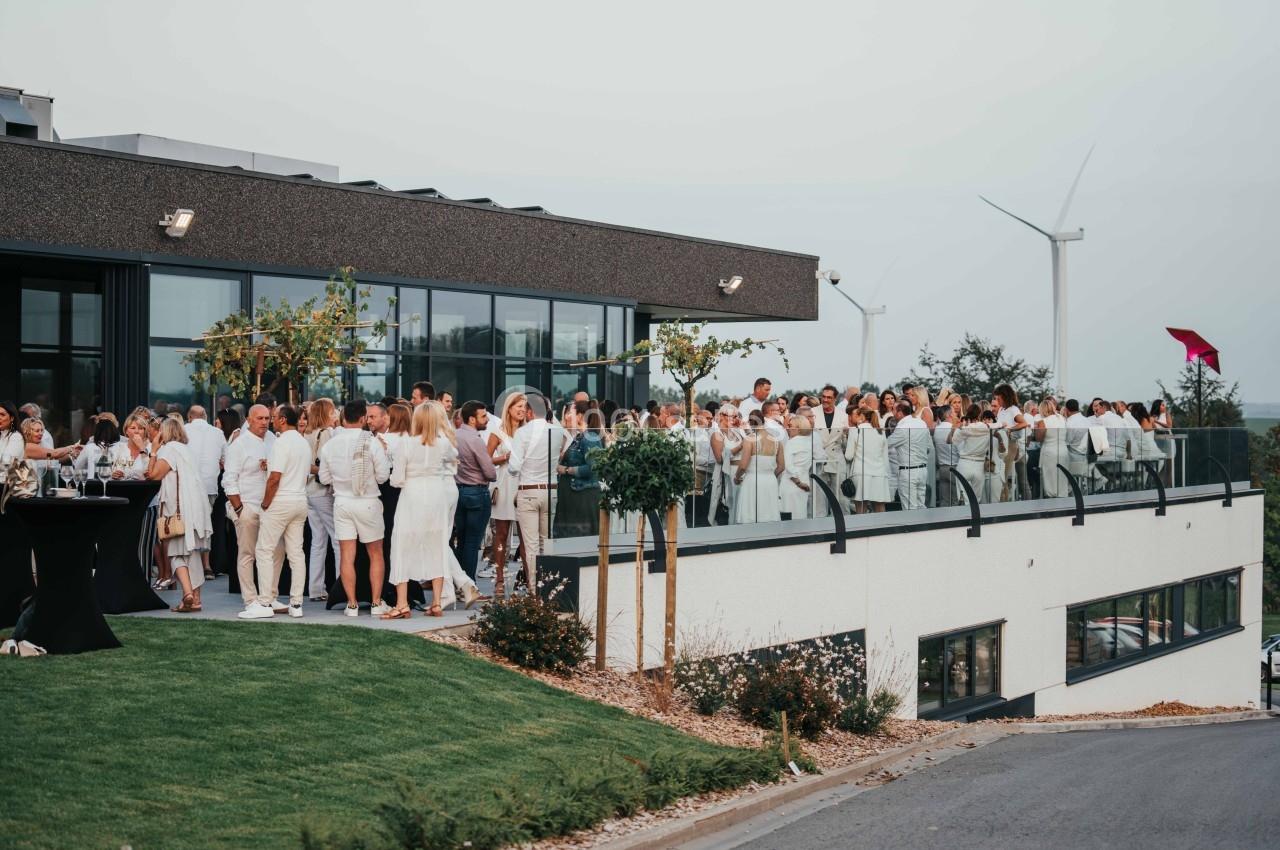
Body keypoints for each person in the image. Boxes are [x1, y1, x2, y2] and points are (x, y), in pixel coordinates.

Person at [318, 400, 391, 618]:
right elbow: (383, 476)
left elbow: (323, 478)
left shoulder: (330, 445)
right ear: (361, 419)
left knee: (346, 555)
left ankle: (351, 604)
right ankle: (377, 602)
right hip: (367, 500)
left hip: (342, 501)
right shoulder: (372, 442)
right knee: (375, 554)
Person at [388, 402, 461, 618]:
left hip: (412, 495)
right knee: (436, 544)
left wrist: (396, 478)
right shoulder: (443, 443)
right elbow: (454, 458)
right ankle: (437, 602)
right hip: (436, 495)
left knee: (402, 545)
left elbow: (397, 479)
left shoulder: (406, 444)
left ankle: (402, 604)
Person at [240, 404, 311, 620]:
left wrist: (265, 503)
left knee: (264, 550)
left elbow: (274, 478)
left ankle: (264, 602)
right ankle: (296, 603)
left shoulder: (281, 443)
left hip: (281, 501)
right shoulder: (303, 443)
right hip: (300, 500)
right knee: (296, 553)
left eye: (273, 418)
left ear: (281, 419)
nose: (270, 421)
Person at [144, 416, 213, 613]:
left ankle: (188, 594)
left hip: (178, 511)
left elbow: (153, 475)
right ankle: (196, 599)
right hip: (195, 509)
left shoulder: (169, 450)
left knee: (175, 553)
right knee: (192, 555)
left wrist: (154, 451)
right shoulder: (186, 450)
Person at [223, 404, 285, 613]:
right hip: (248, 505)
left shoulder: (273, 440)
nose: (264, 422)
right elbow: (228, 480)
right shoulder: (238, 445)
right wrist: (240, 509)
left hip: (270, 506)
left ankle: (270, 596)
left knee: (277, 551)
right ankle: (250, 599)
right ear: (249, 420)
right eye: (260, 418)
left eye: (267, 418)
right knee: (247, 553)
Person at [507, 394, 567, 589]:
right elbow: (567, 446)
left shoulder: (523, 433)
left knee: (531, 545)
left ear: (530, 411)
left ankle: (535, 592)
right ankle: (548, 587)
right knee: (546, 543)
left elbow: (514, 467)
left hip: (529, 490)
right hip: (551, 491)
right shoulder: (558, 431)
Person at [486, 393, 525, 598]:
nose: (520, 409)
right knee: (501, 533)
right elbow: (486, 458)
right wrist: (504, 458)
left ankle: (528, 578)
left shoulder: (529, 431)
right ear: (509, 408)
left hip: (524, 486)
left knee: (526, 537)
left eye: (523, 406)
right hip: (503, 485)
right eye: (517, 406)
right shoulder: (498, 432)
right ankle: (499, 578)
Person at [453, 400, 497, 579]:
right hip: (477, 493)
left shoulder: (453, 435)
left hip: (458, 491)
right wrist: (492, 474)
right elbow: (489, 471)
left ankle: (459, 581)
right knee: (472, 542)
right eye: (483, 416)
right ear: (472, 419)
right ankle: (469, 584)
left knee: (461, 541)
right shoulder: (475, 440)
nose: (487, 419)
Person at [303, 397, 340, 602]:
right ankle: (339, 586)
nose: (335, 414)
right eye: (333, 410)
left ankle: (316, 588)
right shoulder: (327, 434)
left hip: (308, 491)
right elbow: (327, 465)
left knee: (318, 541)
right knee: (337, 539)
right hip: (322, 490)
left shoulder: (306, 434)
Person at [183, 405, 226, 580]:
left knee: (189, 524)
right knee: (206, 524)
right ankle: (206, 565)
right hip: (209, 485)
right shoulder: (217, 433)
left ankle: (188, 566)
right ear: (206, 416)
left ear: (189, 416)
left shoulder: (183, 430)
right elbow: (225, 460)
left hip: (187, 484)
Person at [553, 408, 606, 536]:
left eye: (570, 412)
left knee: (581, 540)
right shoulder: (580, 437)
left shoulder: (590, 437)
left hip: (582, 498)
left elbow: (594, 467)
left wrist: (566, 470)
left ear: (580, 416)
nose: (567, 416)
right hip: (573, 497)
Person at [734, 412, 783, 523]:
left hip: (752, 481)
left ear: (751, 423)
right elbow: (782, 466)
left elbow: (743, 466)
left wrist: (736, 478)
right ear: (764, 421)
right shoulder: (776, 440)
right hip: (770, 481)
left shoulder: (750, 439)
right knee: (769, 513)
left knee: (751, 514)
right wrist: (770, 475)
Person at [844, 407, 891, 513]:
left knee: (861, 509)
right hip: (879, 473)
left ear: (862, 416)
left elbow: (849, 456)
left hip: (861, 473)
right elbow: (885, 457)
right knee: (879, 507)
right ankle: (882, 528)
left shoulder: (855, 431)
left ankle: (861, 529)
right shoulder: (880, 432)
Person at [888, 399, 931, 510]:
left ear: (900, 412)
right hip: (922, 470)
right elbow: (928, 448)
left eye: (894, 410)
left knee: (909, 508)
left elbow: (886, 444)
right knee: (921, 505)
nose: (892, 413)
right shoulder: (921, 423)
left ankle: (913, 527)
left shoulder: (902, 427)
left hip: (908, 472)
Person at [813, 385, 846, 515]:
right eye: (823, 397)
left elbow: (844, 443)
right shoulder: (813, 413)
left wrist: (848, 435)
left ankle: (842, 524)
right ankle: (819, 526)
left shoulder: (843, 415)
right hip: (819, 460)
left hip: (837, 460)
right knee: (818, 498)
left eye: (829, 397)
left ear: (835, 399)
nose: (825, 400)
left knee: (840, 498)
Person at [1034, 398, 1069, 498]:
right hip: (1063, 451)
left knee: (1050, 481)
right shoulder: (1062, 419)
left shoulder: (1042, 421)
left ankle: (1052, 502)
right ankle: (1063, 501)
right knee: (1062, 479)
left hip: (1049, 453)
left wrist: (1035, 429)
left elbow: (1039, 438)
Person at [779, 416, 813, 519]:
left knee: (788, 515)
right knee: (801, 513)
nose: (788, 428)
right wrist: (802, 483)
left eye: (790, 426)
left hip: (791, 483)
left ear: (798, 428)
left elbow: (788, 466)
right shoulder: (809, 441)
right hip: (804, 481)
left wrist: (798, 483)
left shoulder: (791, 442)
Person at [933, 404, 960, 507]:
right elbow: (959, 449)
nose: (955, 414)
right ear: (949, 415)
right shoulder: (953, 429)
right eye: (953, 412)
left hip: (942, 468)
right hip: (954, 467)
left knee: (944, 501)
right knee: (955, 500)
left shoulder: (937, 429)